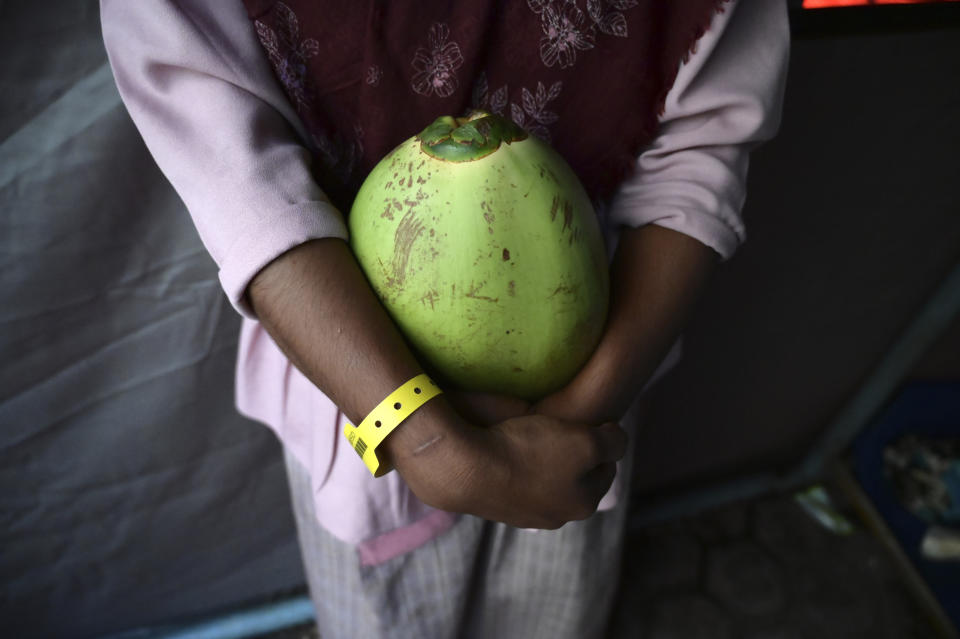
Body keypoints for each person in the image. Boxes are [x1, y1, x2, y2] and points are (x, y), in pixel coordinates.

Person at [101, 1, 789, 636]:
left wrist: (578, 412)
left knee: (556, 611)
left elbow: (700, 148)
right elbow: (235, 171)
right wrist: (422, 440)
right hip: (352, 384)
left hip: (600, 374)